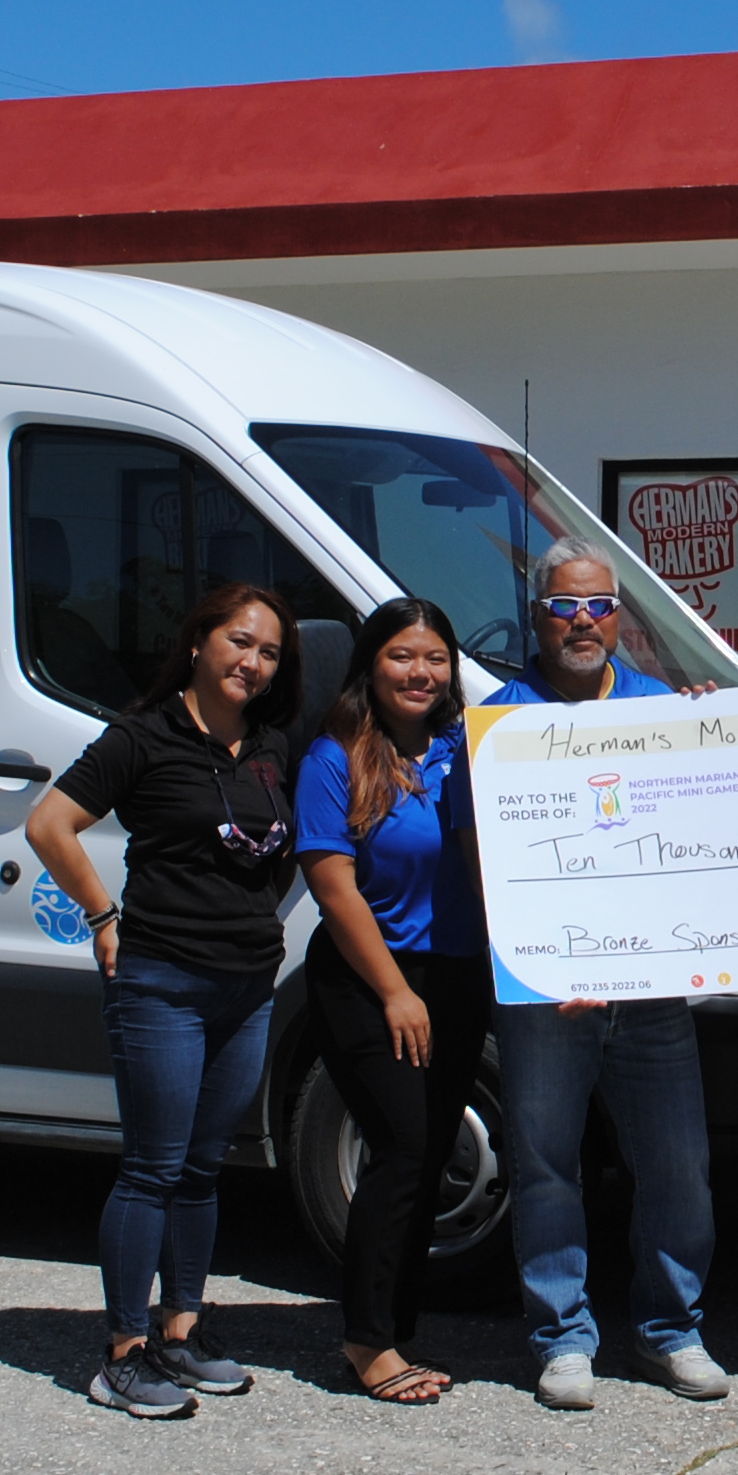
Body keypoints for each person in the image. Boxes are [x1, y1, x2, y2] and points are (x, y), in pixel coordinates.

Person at [28, 581, 307, 1422]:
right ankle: (122, 1353)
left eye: (268, 653)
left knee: (201, 1167)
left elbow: (280, 849)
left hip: (247, 985)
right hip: (162, 983)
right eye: (239, 642)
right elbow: (49, 824)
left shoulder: (268, 746)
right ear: (197, 642)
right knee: (152, 1167)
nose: (252, 663)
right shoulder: (141, 738)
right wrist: (103, 914)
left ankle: (180, 1333)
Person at [487, 542, 725, 1411]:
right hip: (548, 993)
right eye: (562, 606)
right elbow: (493, 865)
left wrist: (708, 732)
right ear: (538, 613)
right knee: (547, 1165)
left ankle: (673, 1331)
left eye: (595, 606)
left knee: (678, 1164)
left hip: (653, 991)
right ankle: (562, 1338)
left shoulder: (666, 710)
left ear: (619, 615)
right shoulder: (500, 722)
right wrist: (550, 956)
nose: (580, 621)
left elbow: (709, 835)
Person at [295, 596, 496, 1406]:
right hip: (367, 977)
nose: (421, 673)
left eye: (435, 658)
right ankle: (366, 1342)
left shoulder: (466, 747)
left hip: (456, 974)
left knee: (431, 1146)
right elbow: (330, 882)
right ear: (370, 668)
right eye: (402, 658)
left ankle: (395, 1324)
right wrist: (393, 993)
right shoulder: (334, 757)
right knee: (404, 1148)